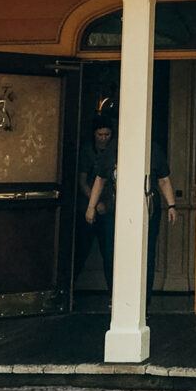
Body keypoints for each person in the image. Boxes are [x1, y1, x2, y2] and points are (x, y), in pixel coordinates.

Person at [85, 135, 177, 303]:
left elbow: (164, 180)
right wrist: (91, 206)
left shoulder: (153, 149)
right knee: (112, 252)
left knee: (146, 254)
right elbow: (100, 179)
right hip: (117, 210)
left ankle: (143, 301)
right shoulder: (114, 149)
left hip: (147, 211)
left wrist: (171, 205)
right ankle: (117, 298)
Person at [74, 117, 116, 290]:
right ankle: (70, 290)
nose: (104, 138)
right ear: (94, 134)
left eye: (107, 134)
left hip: (108, 208)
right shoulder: (87, 151)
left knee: (110, 253)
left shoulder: (115, 151)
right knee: (81, 251)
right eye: (100, 134)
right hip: (88, 208)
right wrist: (94, 202)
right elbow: (82, 180)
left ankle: (113, 294)